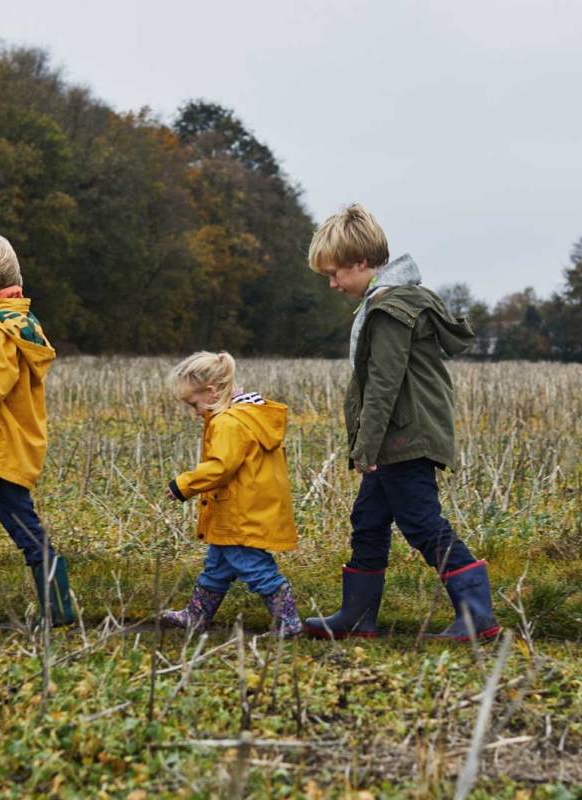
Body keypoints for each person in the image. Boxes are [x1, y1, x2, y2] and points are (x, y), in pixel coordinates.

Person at [303, 204, 499, 641]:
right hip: (396, 436)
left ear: (361, 263)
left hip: (405, 437)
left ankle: (477, 615)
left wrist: (365, 446)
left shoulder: (391, 309)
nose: (332, 284)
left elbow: (383, 385)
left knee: (422, 522)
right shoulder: (383, 302)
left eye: (335, 273)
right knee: (369, 519)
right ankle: (356, 617)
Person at [162, 351, 302, 636]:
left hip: (240, 512)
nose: (195, 413)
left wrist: (183, 485)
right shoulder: (247, 415)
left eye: (194, 404)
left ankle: (289, 622)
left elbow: (220, 467)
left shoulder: (228, 422)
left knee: (256, 568)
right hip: (243, 507)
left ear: (211, 392)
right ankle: (197, 615)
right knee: (216, 567)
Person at [0, 230, 74, 626]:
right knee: (26, 530)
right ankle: (60, 607)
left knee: (26, 529)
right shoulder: (20, 321)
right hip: (7, 450)